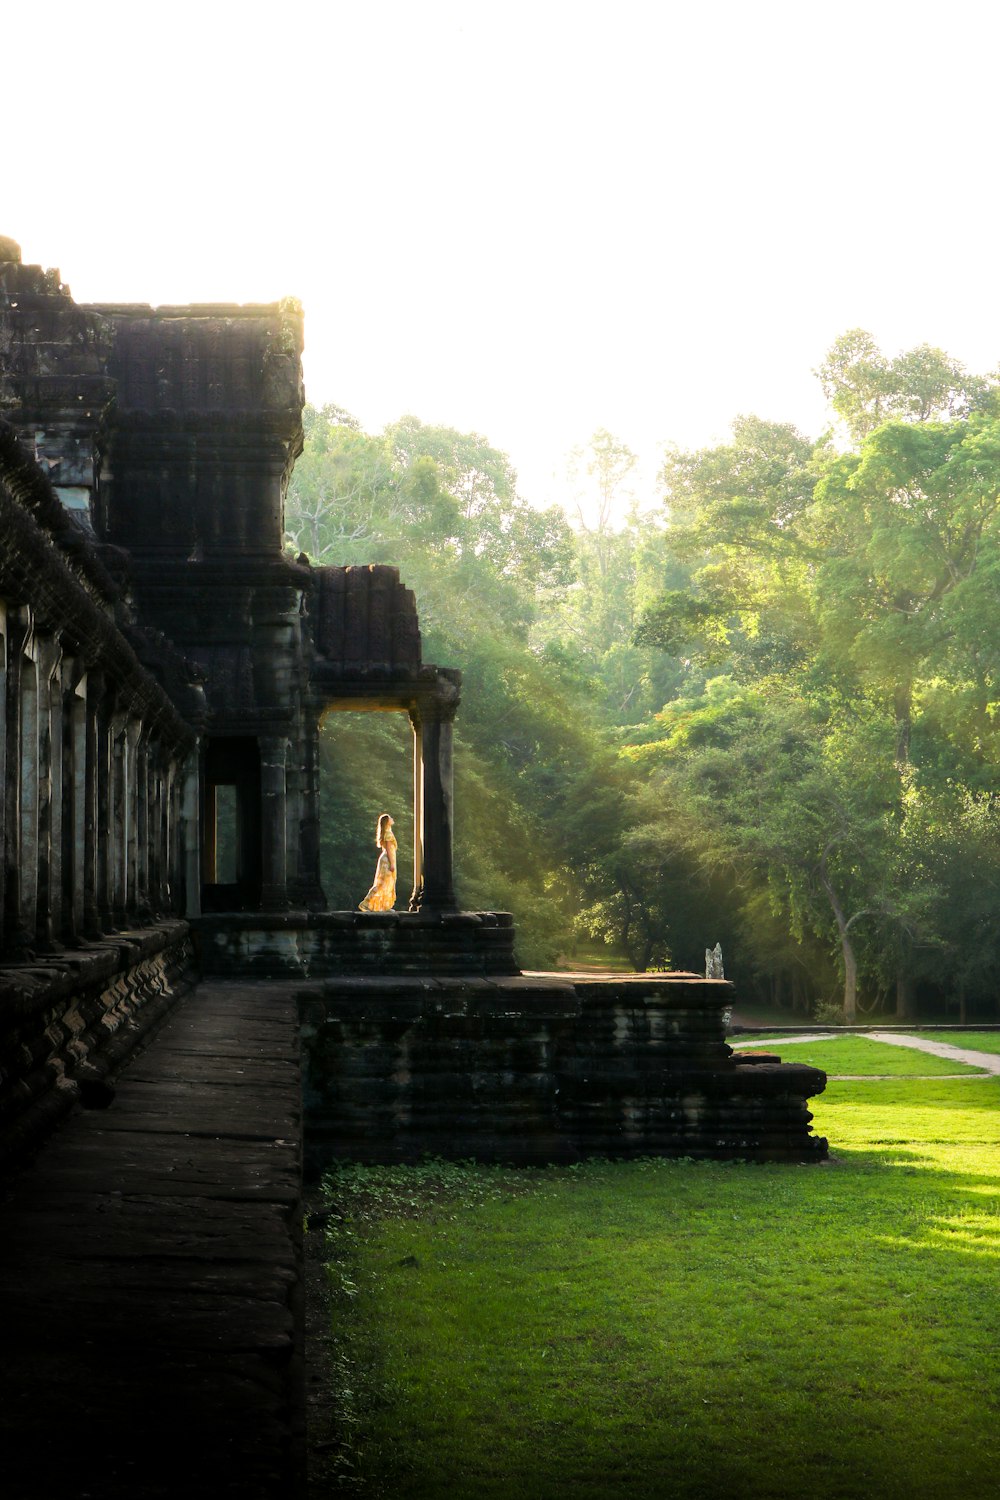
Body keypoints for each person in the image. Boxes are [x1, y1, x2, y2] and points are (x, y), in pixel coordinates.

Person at [358, 812, 397, 911]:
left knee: (386, 882)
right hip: (387, 859)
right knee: (382, 883)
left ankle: (384, 906)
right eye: (390, 818)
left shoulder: (387, 832)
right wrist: (392, 863)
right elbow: (389, 849)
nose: (392, 819)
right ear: (387, 821)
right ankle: (366, 903)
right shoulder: (388, 833)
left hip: (387, 858)